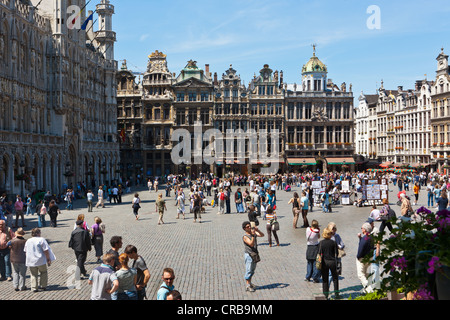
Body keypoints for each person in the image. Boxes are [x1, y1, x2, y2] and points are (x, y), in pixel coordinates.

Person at [24, 228, 56, 292]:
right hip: (40, 260)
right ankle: (43, 285)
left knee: (33, 274)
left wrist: (28, 258)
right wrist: (48, 258)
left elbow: (25, 251)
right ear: (38, 233)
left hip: (31, 260)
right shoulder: (41, 239)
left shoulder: (28, 241)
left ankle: (34, 287)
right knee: (43, 272)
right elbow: (46, 250)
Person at [242, 221, 264, 292]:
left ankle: (250, 283)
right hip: (249, 255)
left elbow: (262, 235)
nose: (249, 228)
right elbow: (251, 244)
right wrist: (253, 236)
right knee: (249, 270)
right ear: (244, 228)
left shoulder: (253, 233)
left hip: (254, 254)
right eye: (248, 227)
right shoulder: (245, 237)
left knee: (252, 270)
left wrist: (257, 230)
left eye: (250, 226)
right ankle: (248, 285)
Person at [318, 227, 339, 299]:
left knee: (325, 279)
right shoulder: (333, 242)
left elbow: (319, 253)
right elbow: (337, 253)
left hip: (324, 262)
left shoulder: (321, 243)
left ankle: (325, 295)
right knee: (335, 278)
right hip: (332, 262)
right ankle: (336, 294)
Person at [356, 222, 375, 293]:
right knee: (364, 272)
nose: (361, 229)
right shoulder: (371, 237)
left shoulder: (365, 238)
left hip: (362, 258)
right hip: (369, 258)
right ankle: (367, 286)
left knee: (361, 274)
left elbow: (361, 248)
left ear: (364, 229)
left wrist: (358, 257)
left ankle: (369, 289)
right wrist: (360, 238)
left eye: (362, 228)